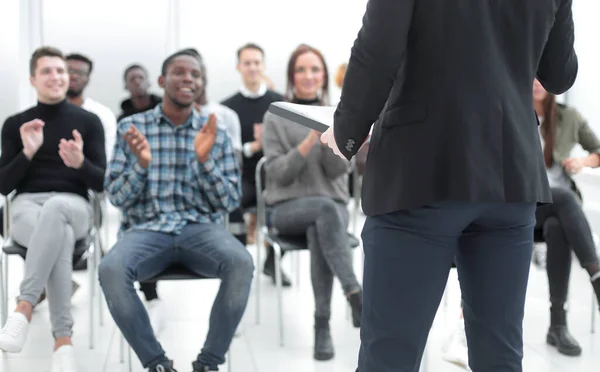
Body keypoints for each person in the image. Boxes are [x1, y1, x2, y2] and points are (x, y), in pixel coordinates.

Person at [320, 1, 578, 371]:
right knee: (500, 357)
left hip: (422, 170)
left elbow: (378, 48)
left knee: (389, 355)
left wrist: (346, 132)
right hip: (511, 174)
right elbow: (559, 73)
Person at [99, 49, 253, 372]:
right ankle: (157, 364)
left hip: (201, 229)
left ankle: (208, 364)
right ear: (161, 81)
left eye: (195, 75)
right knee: (110, 269)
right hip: (145, 230)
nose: (188, 79)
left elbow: (229, 201)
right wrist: (141, 166)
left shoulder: (215, 131)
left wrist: (205, 161)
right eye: (179, 73)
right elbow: (115, 197)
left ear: (201, 84)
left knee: (241, 262)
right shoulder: (132, 127)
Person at [0, 46, 106, 372]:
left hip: (73, 205)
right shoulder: (16, 124)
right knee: (55, 233)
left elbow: (102, 183)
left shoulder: (89, 122)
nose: (56, 77)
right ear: (33, 79)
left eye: (61, 70)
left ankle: (24, 306)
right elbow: (4, 186)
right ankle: (63, 343)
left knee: (58, 209)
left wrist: (80, 163)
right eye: (46, 71)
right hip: (26, 208)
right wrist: (27, 153)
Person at [262, 44, 362, 361]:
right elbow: (278, 174)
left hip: (328, 213)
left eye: (315, 69)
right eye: (301, 70)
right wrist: (308, 142)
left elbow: (339, 170)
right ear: (292, 76)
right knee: (325, 210)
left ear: (324, 76)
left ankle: (322, 326)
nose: (308, 76)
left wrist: (331, 140)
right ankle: (355, 293)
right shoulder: (276, 114)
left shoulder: (340, 113)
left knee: (323, 224)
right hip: (287, 209)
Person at [532, 78, 600, 356]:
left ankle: (557, 325)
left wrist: (581, 161)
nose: (536, 81)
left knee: (558, 226)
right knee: (562, 196)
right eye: (531, 74)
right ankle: (597, 277)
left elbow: (597, 151)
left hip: (556, 212)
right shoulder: (510, 111)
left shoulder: (568, 117)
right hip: (523, 205)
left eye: (541, 75)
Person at [221, 43, 290, 285]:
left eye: (257, 62)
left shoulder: (280, 102)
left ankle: (273, 260)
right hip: (245, 177)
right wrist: (255, 145)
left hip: (275, 176)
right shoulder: (227, 107)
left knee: (290, 201)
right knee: (232, 199)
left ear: (263, 65)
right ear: (239, 66)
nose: (252, 67)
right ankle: (239, 262)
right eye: (247, 63)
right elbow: (228, 150)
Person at [66, 53, 117, 161]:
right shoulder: (44, 113)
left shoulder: (102, 114)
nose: (74, 76)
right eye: (69, 71)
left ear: (88, 79)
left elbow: (107, 158)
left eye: (81, 73)